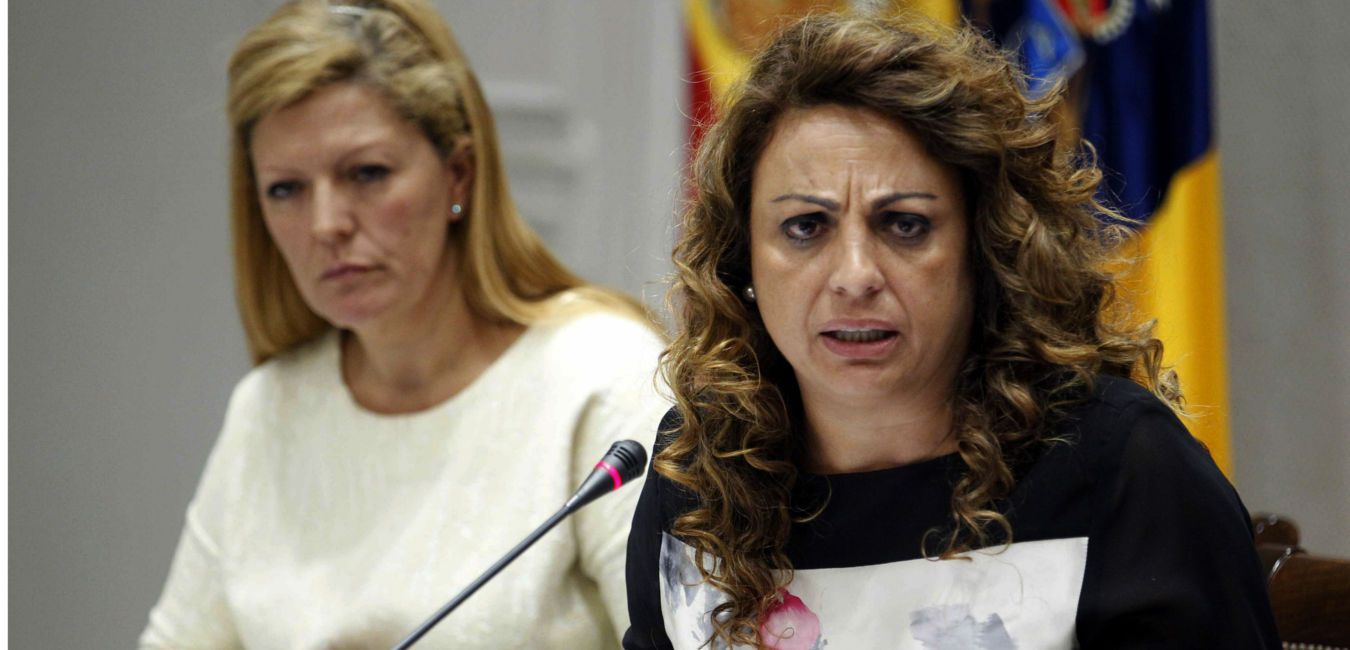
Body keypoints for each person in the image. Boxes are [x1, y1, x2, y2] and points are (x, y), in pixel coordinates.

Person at [625, 13, 1278, 650]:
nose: (854, 276)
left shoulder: (1120, 469)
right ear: (742, 259)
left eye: (905, 224)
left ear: (984, 247)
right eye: (806, 227)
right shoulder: (704, 468)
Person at [140, 1, 669, 647]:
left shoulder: (603, 377)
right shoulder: (271, 406)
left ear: (458, 175)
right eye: (286, 189)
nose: (326, 223)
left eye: (367, 174)